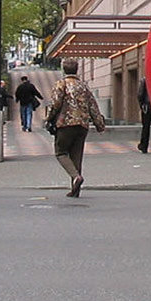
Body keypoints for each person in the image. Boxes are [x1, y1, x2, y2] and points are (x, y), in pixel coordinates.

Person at [45, 58, 106, 198]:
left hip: (65, 123)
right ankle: (75, 190)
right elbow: (93, 106)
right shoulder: (83, 86)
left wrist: (48, 119)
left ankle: (76, 177)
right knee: (77, 156)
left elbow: (55, 104)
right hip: (82, 125)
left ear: (63, 69)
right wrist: (100, 125)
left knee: (61, 152)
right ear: (77, 69)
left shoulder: (61, 84)